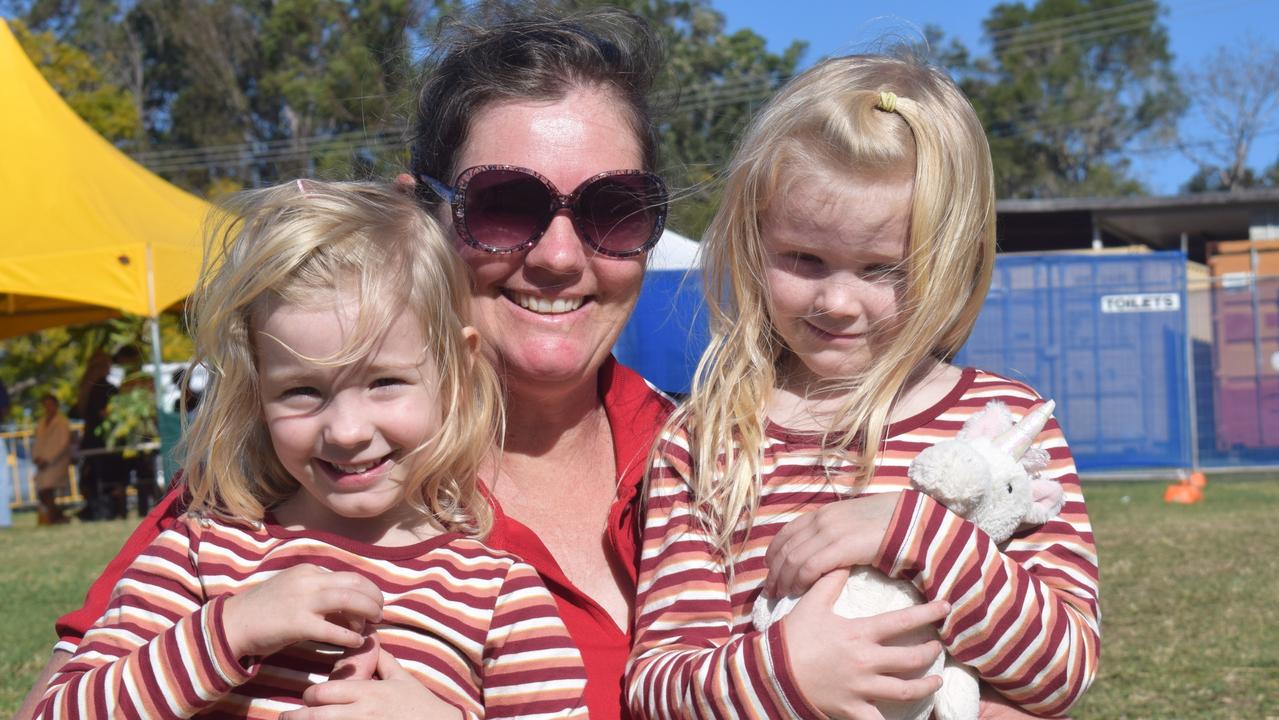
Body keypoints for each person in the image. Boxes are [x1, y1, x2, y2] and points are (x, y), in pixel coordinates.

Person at [17, 8, 674, 720]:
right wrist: (221, 639)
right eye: (505, 204)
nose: (557, 256)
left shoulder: (728, 458)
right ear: (418, 219)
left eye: (614, 208)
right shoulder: (231, 511)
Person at [626, 54, 1100, 719]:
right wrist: (788, 674)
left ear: (953, 260)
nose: (838, 301)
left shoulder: (1005, 430)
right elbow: (656, 687)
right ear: (751, 241)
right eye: (803, 258)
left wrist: (915, 535)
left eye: (883, 268)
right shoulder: (703, 441)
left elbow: (1062, 671)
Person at [35, 180, 588, 719]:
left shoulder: (498, 599)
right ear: (257, 393)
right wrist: (228, 630)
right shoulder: (199, 557)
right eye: (302, 390)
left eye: (384, 382)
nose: (346, 430)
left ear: (457, 373)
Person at [70, 351, 118, 521]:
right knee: (106, 477)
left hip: (89, 438)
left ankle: (94, 509)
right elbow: (105, 413)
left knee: (92, 476)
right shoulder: (105, 387)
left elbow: (75, 412)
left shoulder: (85, 388)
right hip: (103, 440)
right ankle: (105, 510)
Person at [32, 394, 72, 525]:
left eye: (50, 404)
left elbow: (63, 443)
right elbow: (37, 442)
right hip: (42, 462)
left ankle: (56, 517)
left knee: (47, 490)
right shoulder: (41, 422)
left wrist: (48, 459)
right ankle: (58, 517)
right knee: (43, 491)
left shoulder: (62, 422)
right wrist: (37, 457)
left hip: (56, 461)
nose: (48, 408)